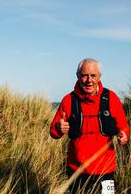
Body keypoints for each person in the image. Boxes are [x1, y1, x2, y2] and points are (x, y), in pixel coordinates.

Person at [50, 58, 130, 194]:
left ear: (99, 76)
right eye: (84, 75)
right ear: (78, 76)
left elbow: (124, 127)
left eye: (93, 76)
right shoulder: (69, 100)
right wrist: (58, 128)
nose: (89, 80)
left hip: (106, 170)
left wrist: (124, 136)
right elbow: (53, 132)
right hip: (77, 170)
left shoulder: (111, 98)